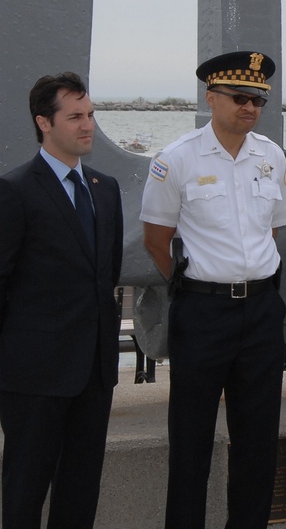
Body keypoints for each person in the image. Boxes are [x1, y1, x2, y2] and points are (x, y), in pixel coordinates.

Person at [140, 51, 286, 528]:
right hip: (203, 316)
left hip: (263, 312)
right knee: (190, 443)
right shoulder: (176, 159)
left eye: (259, 99)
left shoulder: (271, 157)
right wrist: (198, 284)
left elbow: (273, 229)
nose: (250, 107)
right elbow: (155, 240)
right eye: (240, 97)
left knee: (259, 442)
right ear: (211, 98)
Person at [0, 72, 123, 529]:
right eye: (74, 117)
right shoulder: (15, 191)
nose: (88, 125)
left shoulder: (104, 189)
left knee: (80, 491)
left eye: (90, 115)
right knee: (24, 494)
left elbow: (104, 275)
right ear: (44, 122)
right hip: (33, 377)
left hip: (93, 373)